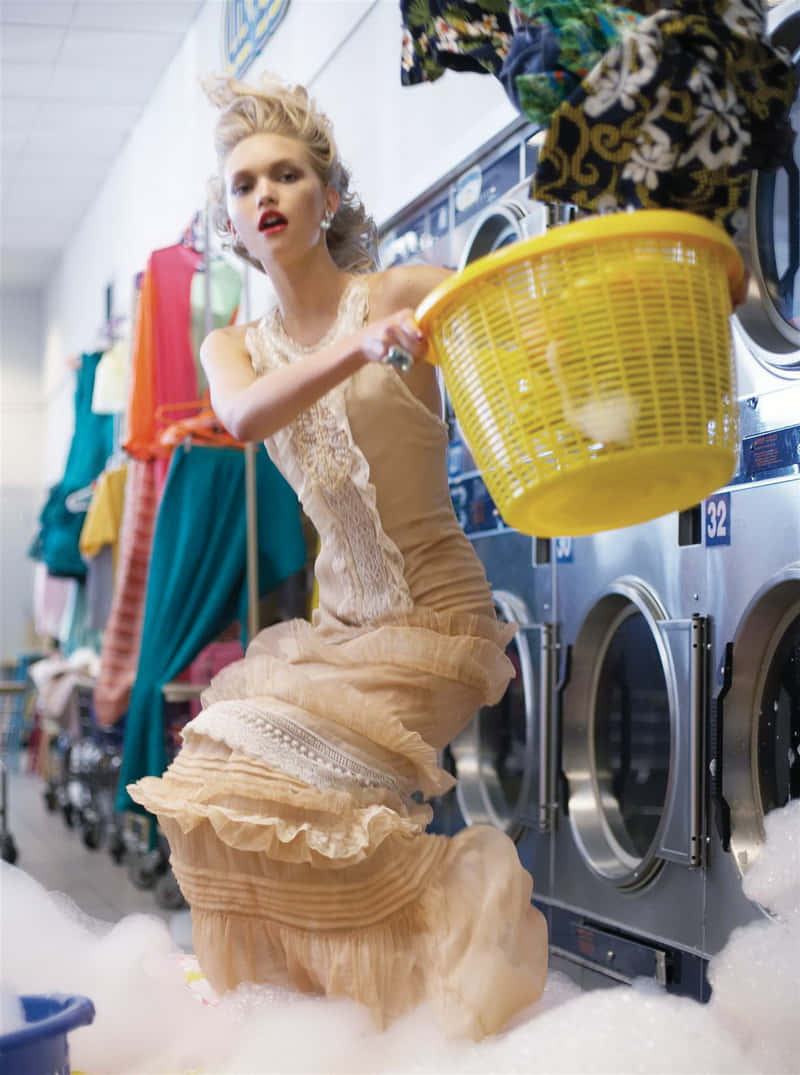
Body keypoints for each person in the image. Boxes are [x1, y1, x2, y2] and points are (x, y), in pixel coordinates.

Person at [129, 73, 548, 1041]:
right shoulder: (229, 347)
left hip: (433, 618)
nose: (264, 195)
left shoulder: (403, 292)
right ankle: (344, 1028)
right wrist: (361, 351)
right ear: (230, 221)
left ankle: (454, 934)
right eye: (243, 185)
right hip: (337, 630)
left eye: (286, 175)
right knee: (214, 787)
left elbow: (523, 351)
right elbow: (240, 417)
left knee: (309, 798)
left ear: (328, 197)